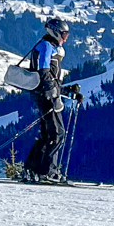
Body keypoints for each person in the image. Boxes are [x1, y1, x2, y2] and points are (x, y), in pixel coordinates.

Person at [23, 14, 83, 179]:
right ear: (56, 32)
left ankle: (32, 170)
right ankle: (48, 172)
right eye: (64, 34)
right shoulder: (47, 47)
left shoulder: (47, 46)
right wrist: (54, 95)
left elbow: (50, 79)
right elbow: (44, 72)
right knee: (57, 133)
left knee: (47, 134)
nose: (66, 38)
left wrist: (67, 91)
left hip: (44, 95)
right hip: (46, 97)